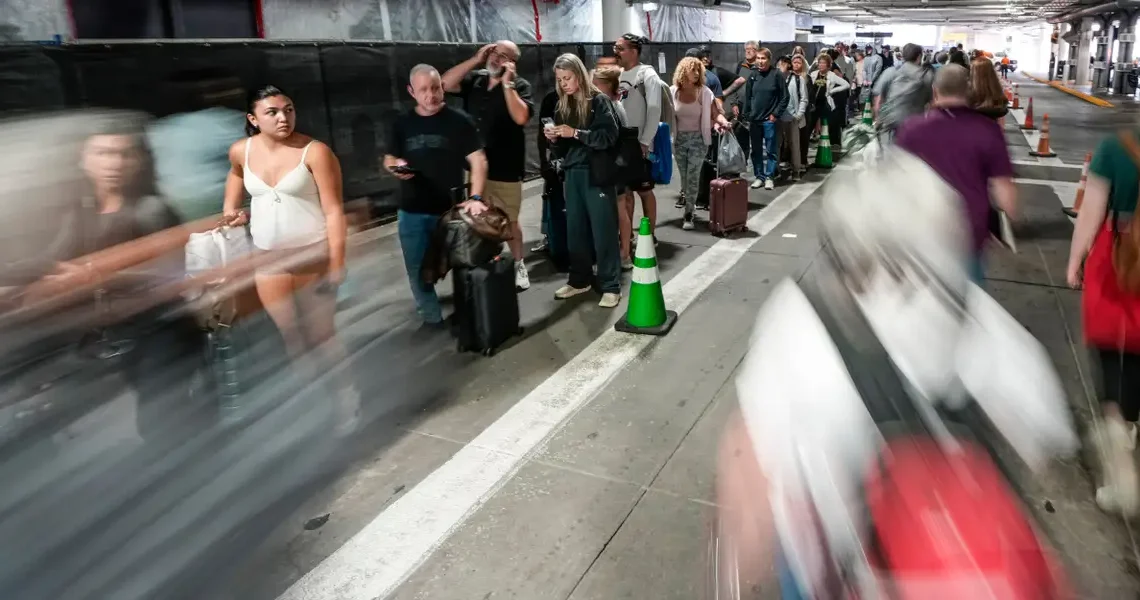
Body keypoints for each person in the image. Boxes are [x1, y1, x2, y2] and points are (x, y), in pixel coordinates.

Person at [715, 149, 1077, 598]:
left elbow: (749, 483)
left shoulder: (799, 328)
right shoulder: (983, 323)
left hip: (844, 565)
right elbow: (1043, 426)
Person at [1066, 128, 1140, 515]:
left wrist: (1075, 260)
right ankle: (1130, 425)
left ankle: (1121, 465)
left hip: (1117, 259)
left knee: (1112, 352)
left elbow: (1091, 213)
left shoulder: (1115, 148)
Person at [381, 66, 488, 327]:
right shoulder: (402, 124)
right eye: (424, 90)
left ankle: (469, 314)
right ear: (411, 92)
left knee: (463, 265)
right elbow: (389, 159)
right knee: (418, 270)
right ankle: (431, 317)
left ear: (442, 86)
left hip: (450, 211)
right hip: (412, 210)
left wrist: (475, 197)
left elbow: (479, 161)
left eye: (436, 88)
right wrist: (396, 168)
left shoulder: (459, 121)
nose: (431, 95)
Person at [895, 64, 1017, 284]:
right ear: (968, 91)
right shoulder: (988, 130)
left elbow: (894, 181)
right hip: (968, 235)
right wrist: (1003, 224)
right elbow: (1006, 194)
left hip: (919, 232)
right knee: (965, 304)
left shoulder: (911, 128)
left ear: (935, 91)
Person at [441, 40, 535, 290]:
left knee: (509, 221)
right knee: (477, 219)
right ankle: (484, 263)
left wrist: (508, 84)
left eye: (504, 56)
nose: (497, 58)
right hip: (474, 168)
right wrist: (475, 59)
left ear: (513, 62)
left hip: (505, 168)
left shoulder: (520, 85)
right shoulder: (475, 80)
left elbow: (521, 116)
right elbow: (445, 84)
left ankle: (518, 264)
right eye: (495, 52)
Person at [545, 53, 622, 308]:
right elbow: (562, 151)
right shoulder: (562, 105)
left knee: (604, 231)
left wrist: (576, 133)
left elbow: (608, 137)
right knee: (575, 231)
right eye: (560, 79)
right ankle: (579, 280)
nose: (564, 83)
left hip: (596, 174)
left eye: (567, 78)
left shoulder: (598, 101)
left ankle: (611, 284)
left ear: (578, 74)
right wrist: (555, 140)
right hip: (573, 173)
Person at [148, 68, 247, 222]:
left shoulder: (159, 129)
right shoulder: (232, 123)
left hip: (178, 214)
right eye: (225, 89)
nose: (237, 93)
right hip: (223, 212)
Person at [671, 57, 731, 231]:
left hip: (698, 139)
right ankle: (689, 203)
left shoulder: (704, 92)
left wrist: (723, 122)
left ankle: (689, 213)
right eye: (693, 70)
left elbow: (715, 114)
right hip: (679, 139)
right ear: (683, 72)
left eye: (699, 70)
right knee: (684, 176)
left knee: (693, 176)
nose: (696, 73)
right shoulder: (673, 91)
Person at [615, 33, 662, 242]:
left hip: (640, 143)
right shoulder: (616, 75)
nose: (615, 52)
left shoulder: (647, 75)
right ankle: (628, 235)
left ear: (633, 51)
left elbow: (654, 109)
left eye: (620, 48)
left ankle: (649, 234)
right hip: (620, 143)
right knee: (625, 192)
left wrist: (645, 141)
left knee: (644, 190)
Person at [593, 64, 633, 268]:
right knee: (620, 209)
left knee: (617, 210)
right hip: (619, 163)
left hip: (612, 165)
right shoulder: (617, 103)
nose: (592, 86)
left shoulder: (608, 105)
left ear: (606, 84)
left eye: (596, 83)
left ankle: (624, 253)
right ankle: (624, 252)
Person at [741, 47, 789, 191]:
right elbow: (748, 97)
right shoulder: (753, 75)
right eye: (758, 59)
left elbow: (785, 97)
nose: (760, 62)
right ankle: (759, 177)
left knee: (770, 151)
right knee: (756, 151)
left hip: (769, 121)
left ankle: (769, 177)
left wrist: (775, 114)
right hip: (755, 120)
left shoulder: (777, 75)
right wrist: (746, 115)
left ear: (769, 60)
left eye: (763, 58)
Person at [873, 43, 934, 143]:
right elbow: (930, 104)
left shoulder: (891, 72)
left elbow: (879, 100)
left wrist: (878, 119)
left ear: (902, 55)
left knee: (891, 151)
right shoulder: (927, 75)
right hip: (916, 125)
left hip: (892, 122)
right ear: (919, 57)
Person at [807, 53, 851, 154]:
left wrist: (832, 91)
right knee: (809, 124)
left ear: (828, 65)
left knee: (829, 124)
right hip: (814, 103)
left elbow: (846, 84)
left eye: (823, 63)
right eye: (820, 63)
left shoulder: (832, 75)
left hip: (825, 103)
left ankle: (832, 144)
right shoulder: (813, 74)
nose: (821, 65)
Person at [777, 55, 808, 181]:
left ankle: (796, 170)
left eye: (783, 64)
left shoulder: (798, 79)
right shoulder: (775, 78)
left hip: (792, 117)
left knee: (794, 144)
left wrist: (799, 114)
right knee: (777, 144)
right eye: (779, 64)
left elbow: (804, 99)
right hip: (778, 117)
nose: (781, 66)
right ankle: (776, 170)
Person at [968, 56, 1010, 121]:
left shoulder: (966, 93)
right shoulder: (997, 90)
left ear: (973, 73)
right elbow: (1003, 108)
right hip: (991, 128)